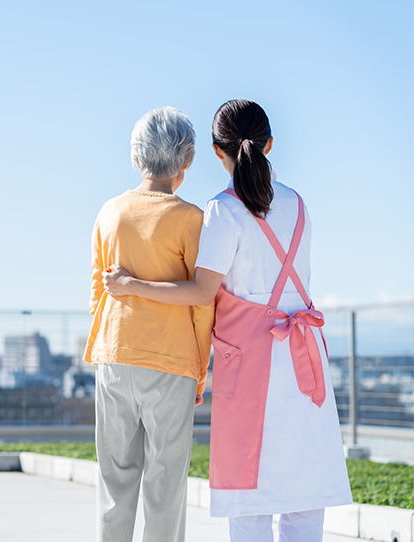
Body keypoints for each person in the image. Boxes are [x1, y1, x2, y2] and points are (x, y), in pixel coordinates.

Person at [103, 99, 352, 542]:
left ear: (218, 152)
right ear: (269, 144)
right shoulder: (297, 203)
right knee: (304, 490)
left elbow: (202, 292)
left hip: (250, 356)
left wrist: (131, 286)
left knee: (249, 494)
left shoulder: (223, 210)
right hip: (304, 356)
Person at [84, 106, 215, 542]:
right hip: (172, 359)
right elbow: (203, 303)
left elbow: (97, 292)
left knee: (115, 480)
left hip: (114, 354)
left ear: (136, 157)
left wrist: (101, 349)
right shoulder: (192, 220)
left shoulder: (109, 212)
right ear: (188, 159)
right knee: (166, 482)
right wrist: (200, 367)